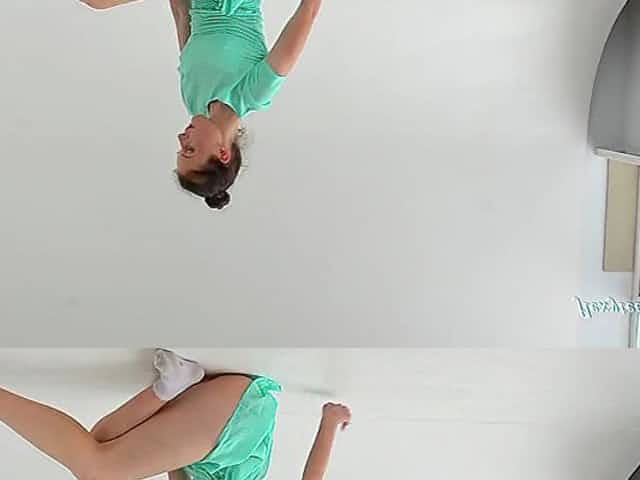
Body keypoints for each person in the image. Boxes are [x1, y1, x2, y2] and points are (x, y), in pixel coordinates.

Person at [80, 0, 323, 210]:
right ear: (223, 153)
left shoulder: (193, 99)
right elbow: (308, 12)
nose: (181, 138)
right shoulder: (252, 94)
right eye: (190, 149)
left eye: (181, 149)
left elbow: (182, 13)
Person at [0, 349, 352, 480]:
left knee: (100, 443)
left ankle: (170, 386)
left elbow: (175, 464)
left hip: (224, 416)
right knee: (99, 469)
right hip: (233, 420)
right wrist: (330, 421)